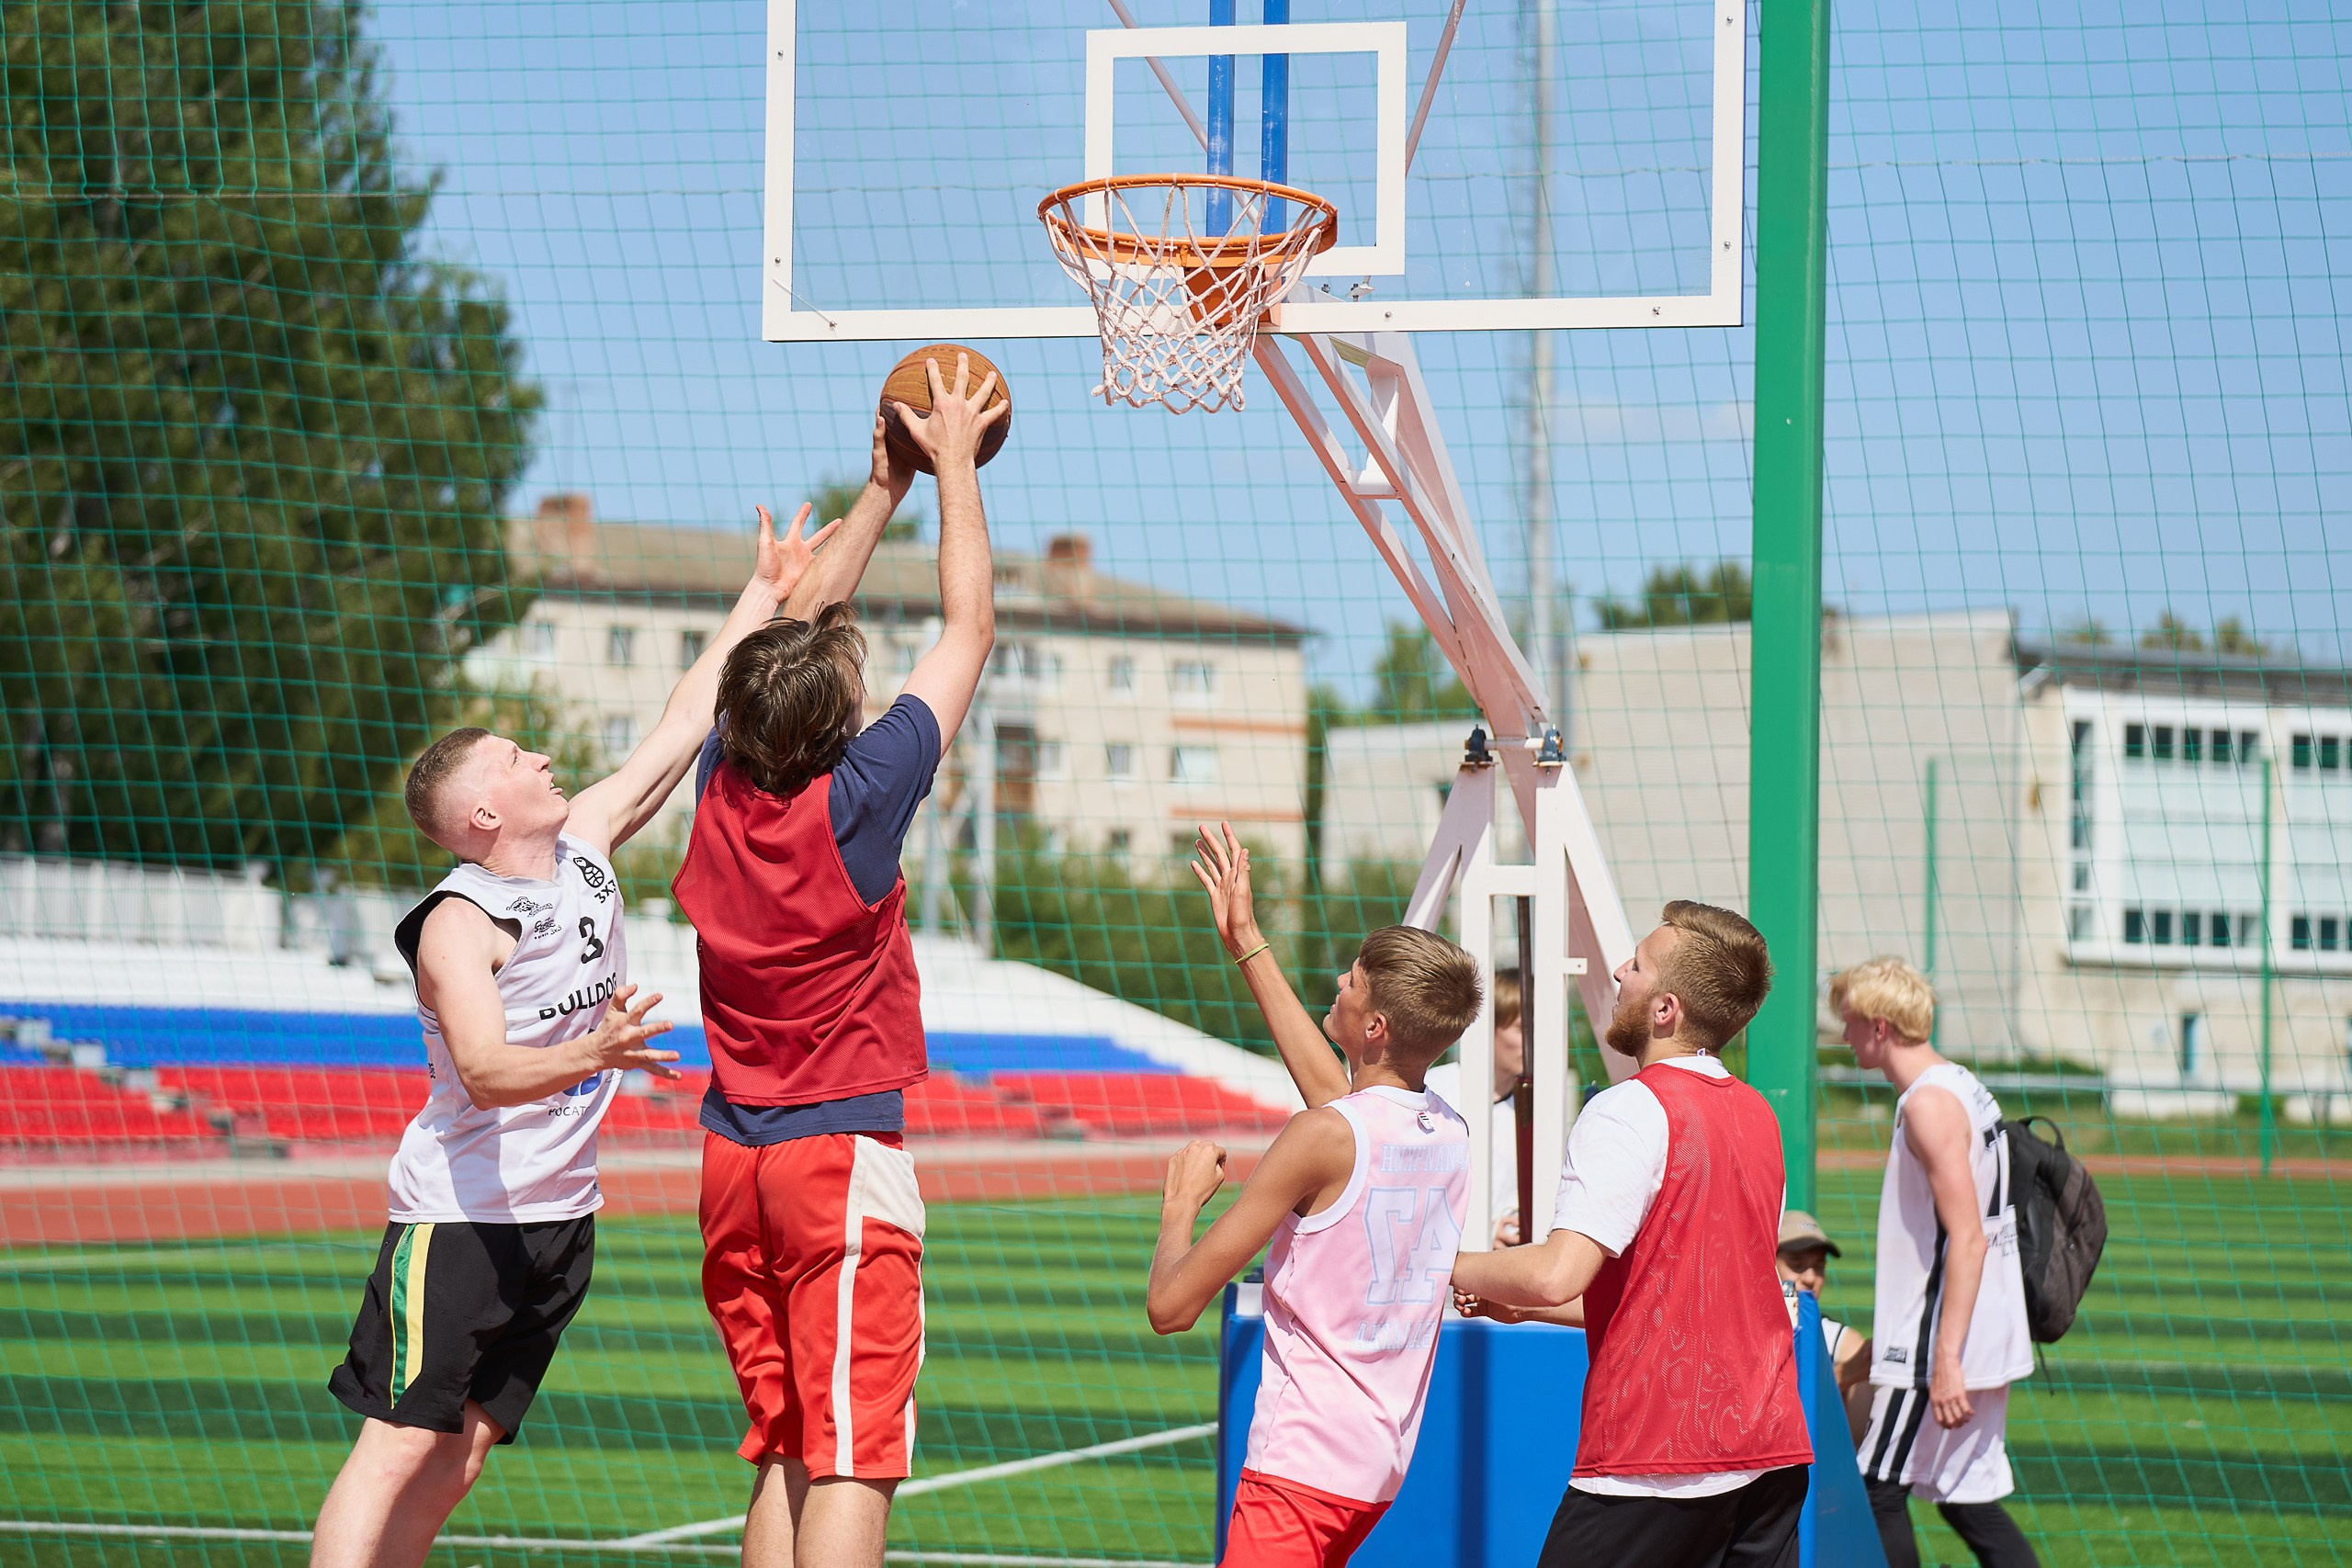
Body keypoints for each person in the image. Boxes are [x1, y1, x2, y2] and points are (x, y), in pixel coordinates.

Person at [309, 502, 841, 1568]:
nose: (541, 754)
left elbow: (684, 724)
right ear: (483, 818)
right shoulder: (458, 926)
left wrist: (765, 591)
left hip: (557, 1219)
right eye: (515, 757)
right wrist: (592, 1054)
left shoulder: (585, 845)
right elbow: (487, 1068)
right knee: (391, 1451)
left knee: (456, 1459)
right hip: (459, 1220)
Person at [673, 355, 1006, 1568]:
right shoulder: (856, 805)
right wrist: (952, 465)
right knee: (857, 1446)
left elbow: (781, 637)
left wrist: (878, 493)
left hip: (730, 1160)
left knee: (785, 1442)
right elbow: (969, 624)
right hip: (834, 1161)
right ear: (839, 722)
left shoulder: (716, 787)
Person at [1150, 822, 1484, 1568]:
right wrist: (1246, 939)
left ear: (1374, 1024)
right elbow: (1348, 1104)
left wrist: (1180, 1207)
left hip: (1301, 1465)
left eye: (1354, 979)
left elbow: (1171, 1307)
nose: (1338, 980)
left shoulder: (1322, 1136)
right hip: (1376, 1461)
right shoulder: (1447, 1130)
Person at [1451, 902, 1812, 1568]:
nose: (1619, 971)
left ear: (1666, 1008)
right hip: (1769, 1453)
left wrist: (1446, 1261)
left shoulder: (1626, 1110)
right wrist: (1524, 1303)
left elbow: (1557, 1271)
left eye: (1638, 964)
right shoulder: (1758, 1115)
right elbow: (1681, 1298)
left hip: (1656, 1460)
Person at [1836, 957, 2040, 1568]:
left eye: (1846, 1022)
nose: (1842, 1035)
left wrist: (1946, 1359)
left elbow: (1969, 1238)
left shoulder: (1929, 1104)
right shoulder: (1960, 1083)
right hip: (1973, 1325)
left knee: (1876, 1487)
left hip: (1935, 1337)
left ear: (1878, 1027)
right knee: (1961, 1496)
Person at [1422, 967, 1523, 1247]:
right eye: (1522, 1029)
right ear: (1489, 1028)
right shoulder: (1433, 1089)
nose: (1535, 1041)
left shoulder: (1536, 1112)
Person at [1775, 1210, 1874, 1442]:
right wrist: (1840, 1377)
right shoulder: (1743, 1336)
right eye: (1797, 1264)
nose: (1810, 1278)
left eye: (1819, 1266)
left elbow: (1853, 1443)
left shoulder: (1845, 1344)